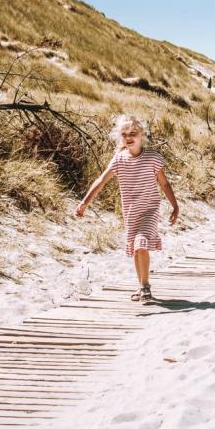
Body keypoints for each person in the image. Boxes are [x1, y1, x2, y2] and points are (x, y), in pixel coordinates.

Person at [76, 115, 179, 302]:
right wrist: (85, 203)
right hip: (131, 213)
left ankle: (145, 286)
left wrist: (175, 206)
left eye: (133, 133)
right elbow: (101, 181)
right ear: (120, 137)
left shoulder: (152, 158)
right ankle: (141, 286)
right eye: (124, 134)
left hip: (150, 209)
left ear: (142, 135)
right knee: (135, 249)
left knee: (141, 243)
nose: (129, 137)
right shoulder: (119, 160)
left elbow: (164, 184)